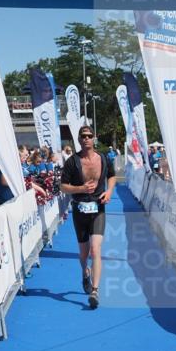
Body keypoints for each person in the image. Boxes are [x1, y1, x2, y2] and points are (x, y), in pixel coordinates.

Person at [60, 127, 116, 309]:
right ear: (79, 139)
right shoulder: (72, 162)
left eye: (89, 136)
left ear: (94, 138)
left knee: (95, 249)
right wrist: (80, 189)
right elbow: (63, 186)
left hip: (98, 208)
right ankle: (85, 272)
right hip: (80, 210)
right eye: (83, 137)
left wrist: (109, 191)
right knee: (84, 254)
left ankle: (95, 291)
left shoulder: (104, 158)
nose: (86, 139)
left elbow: (112, 176)